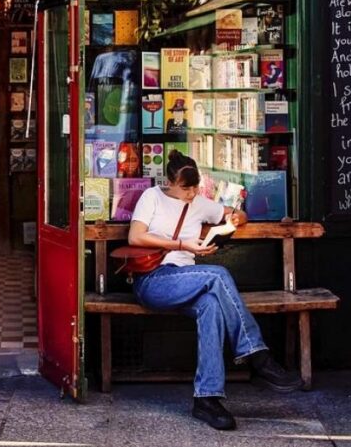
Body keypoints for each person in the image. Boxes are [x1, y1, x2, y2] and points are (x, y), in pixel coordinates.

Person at [127, 149, 302, 430]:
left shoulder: (199, 201)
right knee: (217, 276)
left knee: (211, 305)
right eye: (186, 188)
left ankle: (207, 399)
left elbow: (235, 212)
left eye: (195, 186)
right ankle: (256, 354)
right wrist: (184, 245)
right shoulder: (152, 197)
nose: (191, 192)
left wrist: (235, 219)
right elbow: (135, 235)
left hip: (187, 279)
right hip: (154, 280)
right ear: (170, 182)